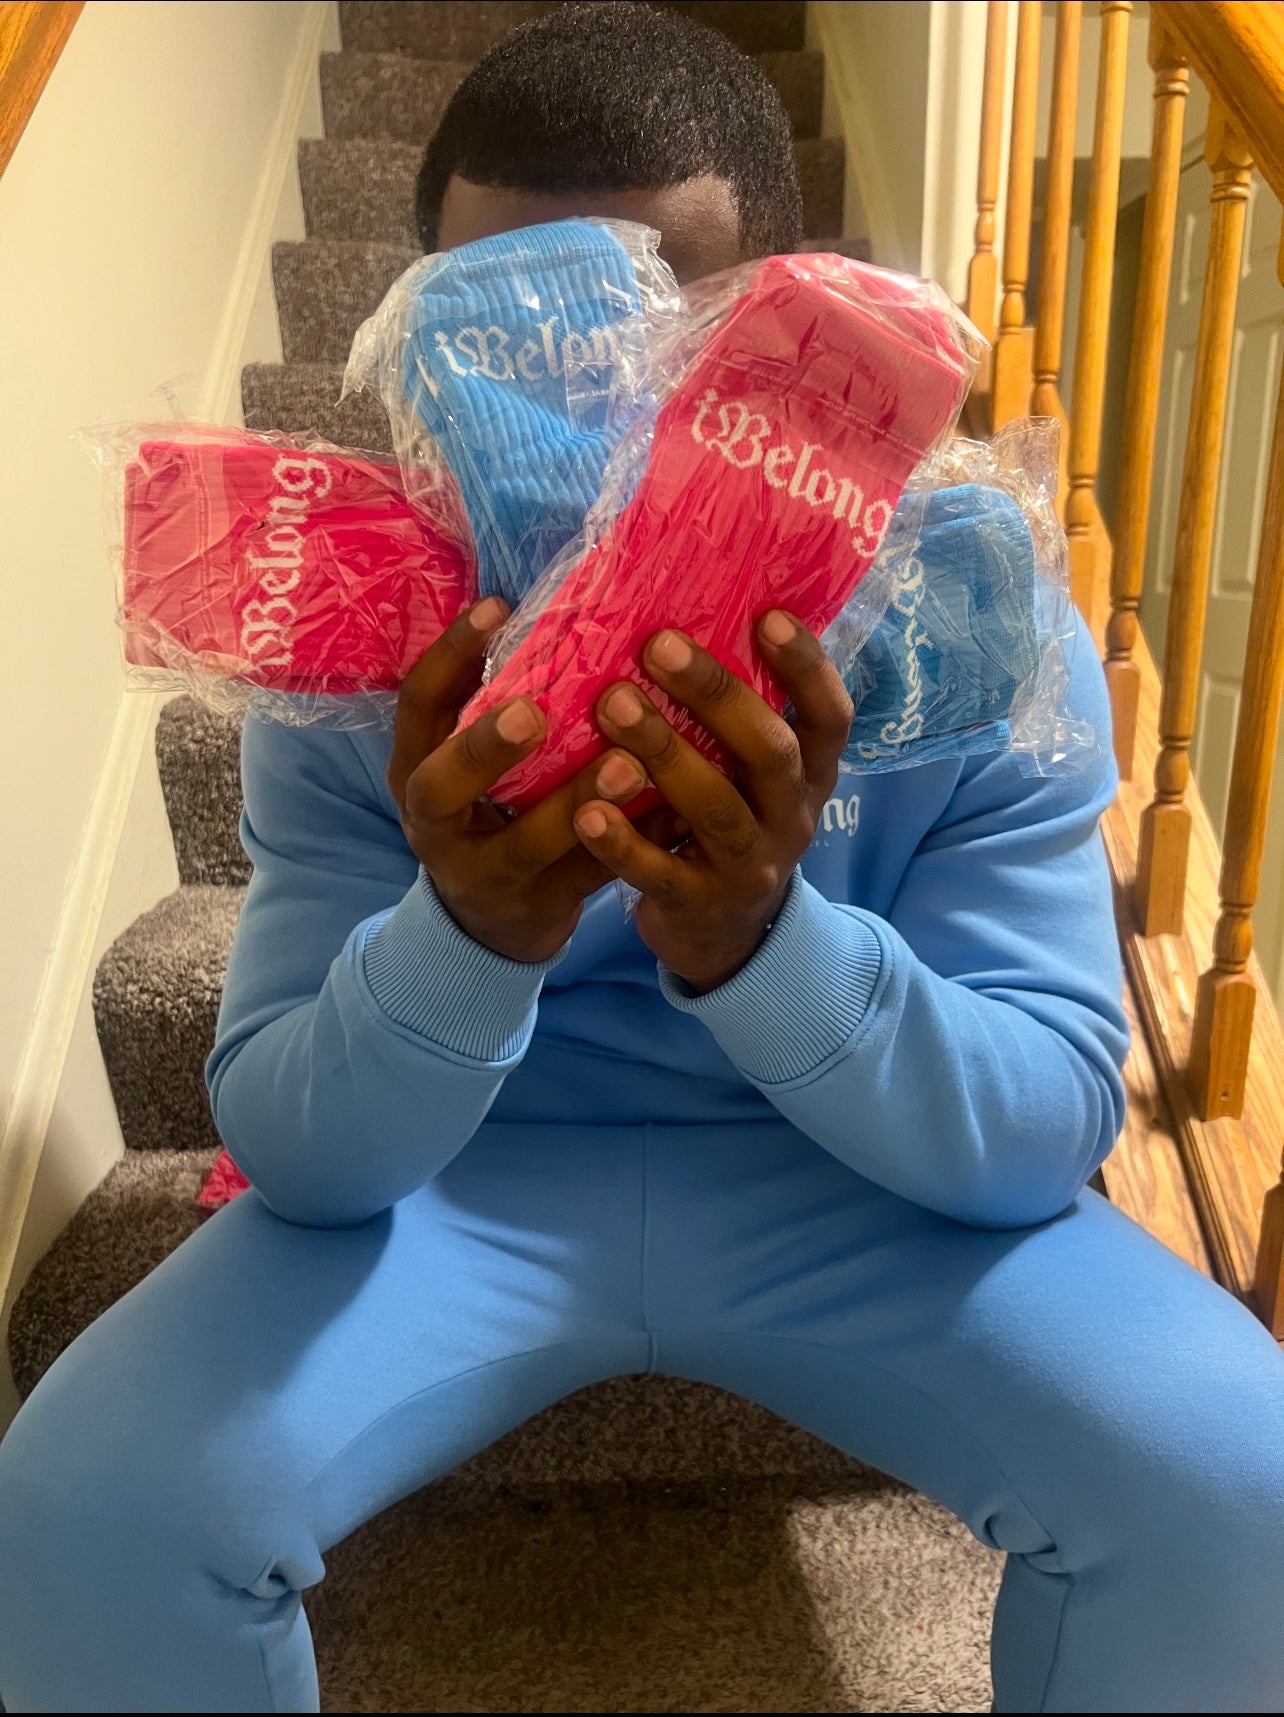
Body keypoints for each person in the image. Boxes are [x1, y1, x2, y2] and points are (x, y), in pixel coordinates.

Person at [2, 7, 1282, 1711]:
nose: (578, 415)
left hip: (866, 1183)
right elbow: (302, 1151)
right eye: (502, 344)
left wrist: (765, 941)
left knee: (1236, 1474)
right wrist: (463, 934)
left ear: (788, 332)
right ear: (411, 350)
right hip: (456, 1190)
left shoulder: (965, 625)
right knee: (85, 1505)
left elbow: (1041, 1123)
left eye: (652, 347)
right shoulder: (358, 632)